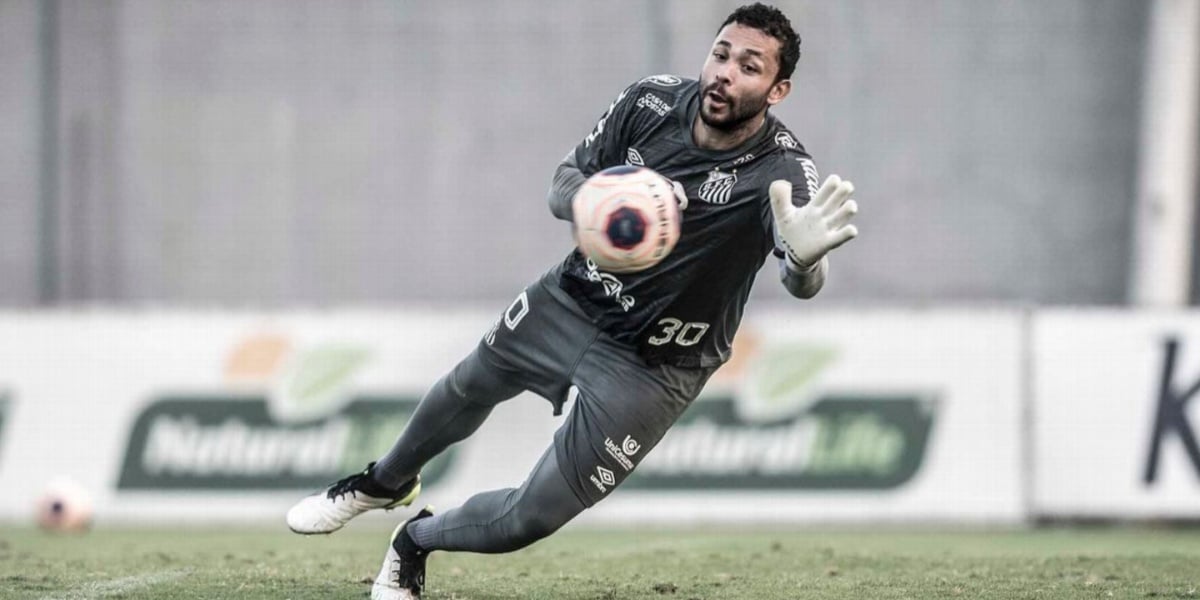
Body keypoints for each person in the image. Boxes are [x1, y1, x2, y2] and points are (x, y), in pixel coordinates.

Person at [286, 4, 859, 599]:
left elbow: (802, 284)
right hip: (574, 299)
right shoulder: (651, 102)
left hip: (656, 364)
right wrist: (598, 199)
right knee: (467, 386)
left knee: (527, 520)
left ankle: (414, 542)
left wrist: (804, 259)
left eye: (749, 66)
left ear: (778, 89)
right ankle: (383, 482)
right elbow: (564, 179)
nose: (725, 74)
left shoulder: (784, 172)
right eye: (720, 55)